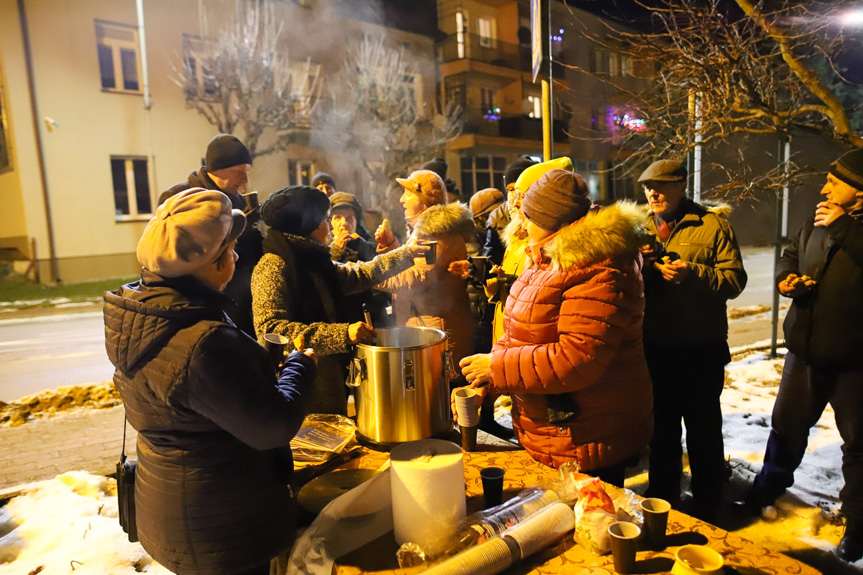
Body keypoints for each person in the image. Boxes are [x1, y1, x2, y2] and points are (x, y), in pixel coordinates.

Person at [104, 189, 317, 575]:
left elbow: (197, 397)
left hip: (172, 503)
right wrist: (300, 364)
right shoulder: (202, 340)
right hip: (220, 525)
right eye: (231, 248)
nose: (236, 255)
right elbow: (273, 426)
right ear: (208, 263)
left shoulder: (144, 312)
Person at [458, 169, 653, 486]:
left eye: (529, 218)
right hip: (549, 430)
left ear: (554, 222)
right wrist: (488, 385)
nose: (521, 227)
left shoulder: (600, 265)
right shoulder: (545, 257)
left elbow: (576, 359)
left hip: (588, 436)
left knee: (590, 526)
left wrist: (496, 367)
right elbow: (517, 333)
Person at [741, 148, 863, 561]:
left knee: (859, 446)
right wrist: (785, 279)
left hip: (855, 361)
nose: (825, 187)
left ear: (860, 192)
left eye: (836, 181)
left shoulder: (842, 222)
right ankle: (767, 491)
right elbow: (793, 252)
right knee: (786, 427)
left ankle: (859, 525)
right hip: (805, 350)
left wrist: (844, 225)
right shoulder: (822, 215)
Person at [252, 185, 427, 415]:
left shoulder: (315, 260)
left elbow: (361, 274)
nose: (331, 228)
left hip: (330, 384)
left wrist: (406, 253)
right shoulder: (273, 265)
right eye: (326, 219)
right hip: (298, 390)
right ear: (309, 226)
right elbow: (271, 330)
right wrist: (342, 334)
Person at [639, 159, 747, 521]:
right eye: (647, 186)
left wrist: (693, 274)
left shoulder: (712, 224)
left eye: (661, 185)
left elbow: (734, 280)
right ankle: (663, 497)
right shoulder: (640, 229)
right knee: (662, 432)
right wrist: (642, 265)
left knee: (704, 433)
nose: (652, 192)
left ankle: (708, 500)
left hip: (701, 350)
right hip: (655, 349)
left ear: (682, 185)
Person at [159, 134, 261, 336]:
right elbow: (181, 256)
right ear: (218, 170)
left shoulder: (238, 200)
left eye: (247, 172)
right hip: (197, 305)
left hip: (238, 300)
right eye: (238, 172)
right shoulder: (180, 199)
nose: (245, 180)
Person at [374, 170, 477, 364]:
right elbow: (416, 265)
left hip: (437, 335)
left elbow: (415, 278)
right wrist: (392, 247)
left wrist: (370, 274)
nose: (402, 200)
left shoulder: (436, 233)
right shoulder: (427, 231)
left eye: (409, 194)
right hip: (427, 330)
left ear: (424, 200)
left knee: (439, 392)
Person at [329, 191, 391, 326]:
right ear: (329, 222)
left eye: (349, 218)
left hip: (370, 319)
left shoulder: (366, 244)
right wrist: (335, 251)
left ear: (357, 221)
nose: (344, 223)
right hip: (341, 322)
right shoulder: (323, 248)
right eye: (337, 218)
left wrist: (362, 246)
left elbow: (382, 274)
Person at [485, 155, 537, 264]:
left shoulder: (539, 226)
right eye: (509, 190)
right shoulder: (498, 219)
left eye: (516, 189)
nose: (513, 197)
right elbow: (493, 258)